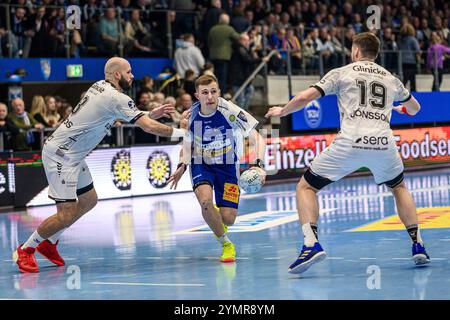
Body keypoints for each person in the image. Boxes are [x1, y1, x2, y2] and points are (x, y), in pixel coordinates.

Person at [265, 32, 430, 274]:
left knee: (306, 187)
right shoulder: (391, 79)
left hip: (351, 142)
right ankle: (418, 244)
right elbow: (416, 108)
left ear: (355, 52)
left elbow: (304, 97)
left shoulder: (342, 72)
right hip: (383, 143)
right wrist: (402, 109)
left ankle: (311, 244)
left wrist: (283, 111)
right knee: (399, 187)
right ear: (376, 53)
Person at [13, 57, 186, 273]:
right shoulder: (115, 97)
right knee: (65, 214)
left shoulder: (98, 87)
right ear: (117, 75)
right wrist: (185, 134)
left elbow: (115, 116)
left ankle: (50, 242)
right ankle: (26, 249)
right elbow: (149, 128)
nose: (132, 76)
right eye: (129, 72)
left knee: (89, 200)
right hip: (61, 155)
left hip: (73, 154)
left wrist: (148, 114)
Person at [168, 74, 267, 263]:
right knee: (205, 201)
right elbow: (187, 144)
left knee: (228, 218)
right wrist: (181, 165)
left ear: (219, 92)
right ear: (197, 95)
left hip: (227, 165)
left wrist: (259, 165)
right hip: (201, 162)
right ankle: (226, 244)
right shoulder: (190, 116)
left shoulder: (230, 111)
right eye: (205, 93)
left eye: (213, 91)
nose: (210, 97)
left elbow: (257, 138)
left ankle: (216, 220)